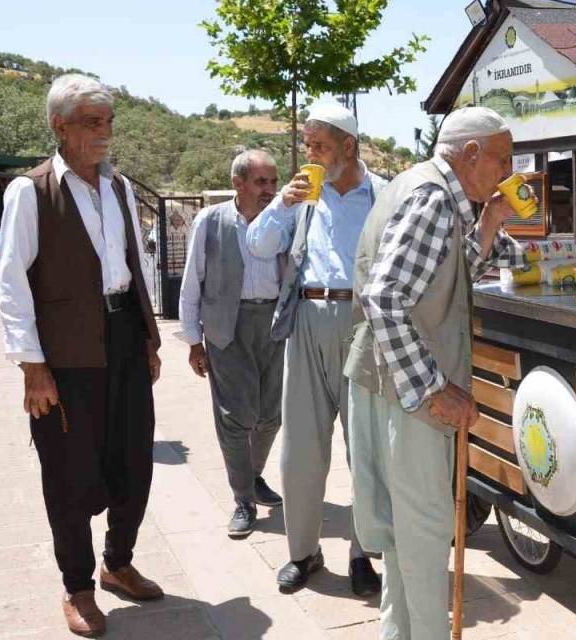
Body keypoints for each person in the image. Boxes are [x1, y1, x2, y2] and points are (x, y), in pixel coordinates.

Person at [345, 106, 526, 639]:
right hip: (407, 390)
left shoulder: (423, 187)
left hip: (383, 378)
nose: (508, 172)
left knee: (406, 535)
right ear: (471, 155)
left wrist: (489, 223)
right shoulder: (432, 198)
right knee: (424, 536)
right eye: (503, 159)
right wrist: (432, 391)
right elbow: (385, 298)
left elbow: (439, 276)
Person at [0, 74, 164, 638]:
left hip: (123, 340)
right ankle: (78, 586)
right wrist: (32, 366)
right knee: (68, 473)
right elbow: (11, 282)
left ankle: (118, 563)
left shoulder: (118, 188)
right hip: (66, 354)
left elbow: (134, 266)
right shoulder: (32, 191)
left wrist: (148, 339)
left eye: (109, 121)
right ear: (59, 125)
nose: (104, 132)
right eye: (93, 121)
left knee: (134, 460)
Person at [245, 104, 387, 596]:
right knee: (301, 449)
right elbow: (258, 245)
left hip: (363, 325)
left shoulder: (383, 195)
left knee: (365, 448)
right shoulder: (302, 198)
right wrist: (281, 203)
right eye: (306, 145)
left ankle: (363, 553)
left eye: (319, 146)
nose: (310, 154)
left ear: (349, 146)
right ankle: (303, 552)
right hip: (306, 319)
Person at [176, 149, 285, 539]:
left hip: (274, 325)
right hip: (227, 327)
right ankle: (243, 499)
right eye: (260, 182)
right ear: (238, 183)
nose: (269, 190)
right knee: (235, 418)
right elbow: (192, 284)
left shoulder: (282, 219)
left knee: (272, 415)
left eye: (273, 181)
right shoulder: (211, 221)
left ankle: (252, 476)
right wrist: (193, 341)